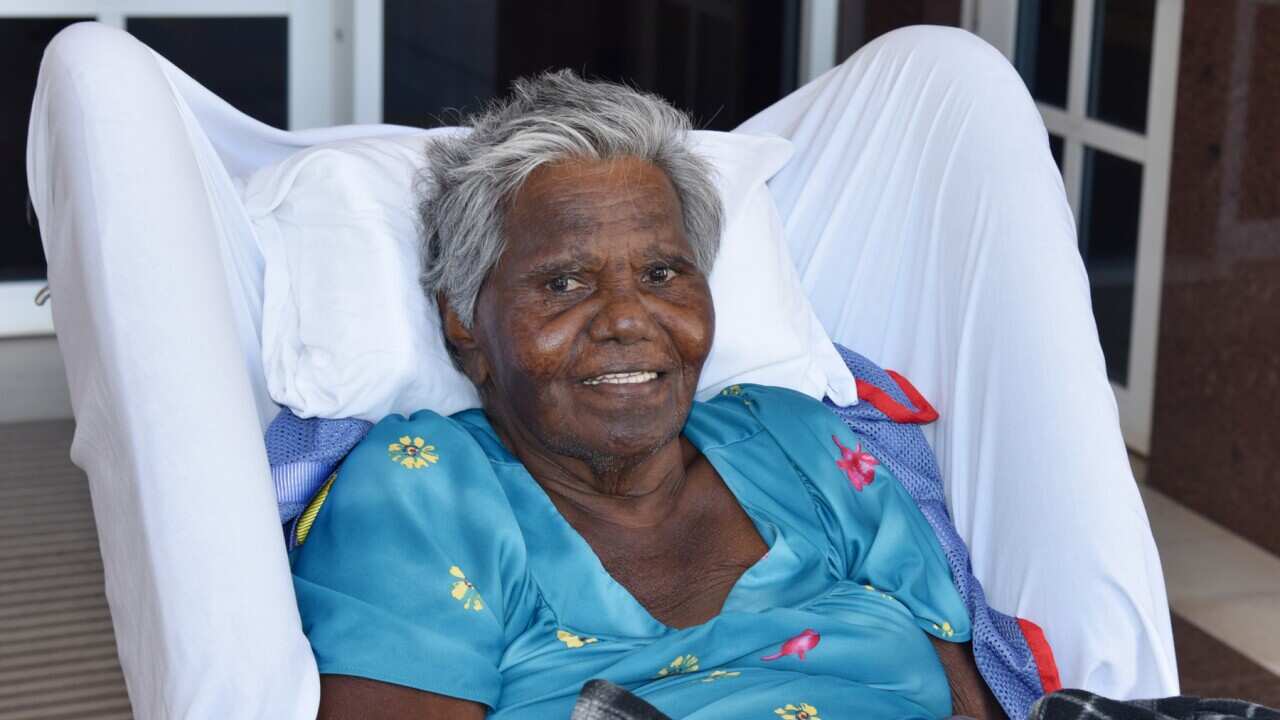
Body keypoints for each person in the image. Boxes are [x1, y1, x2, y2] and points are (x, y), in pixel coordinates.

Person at [289, 69, 1003, 719]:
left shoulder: (801, 442)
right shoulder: (426, 492)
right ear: (463, 320)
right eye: (564, 282)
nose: (629, 318)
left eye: (663, 274)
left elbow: (971, 699)